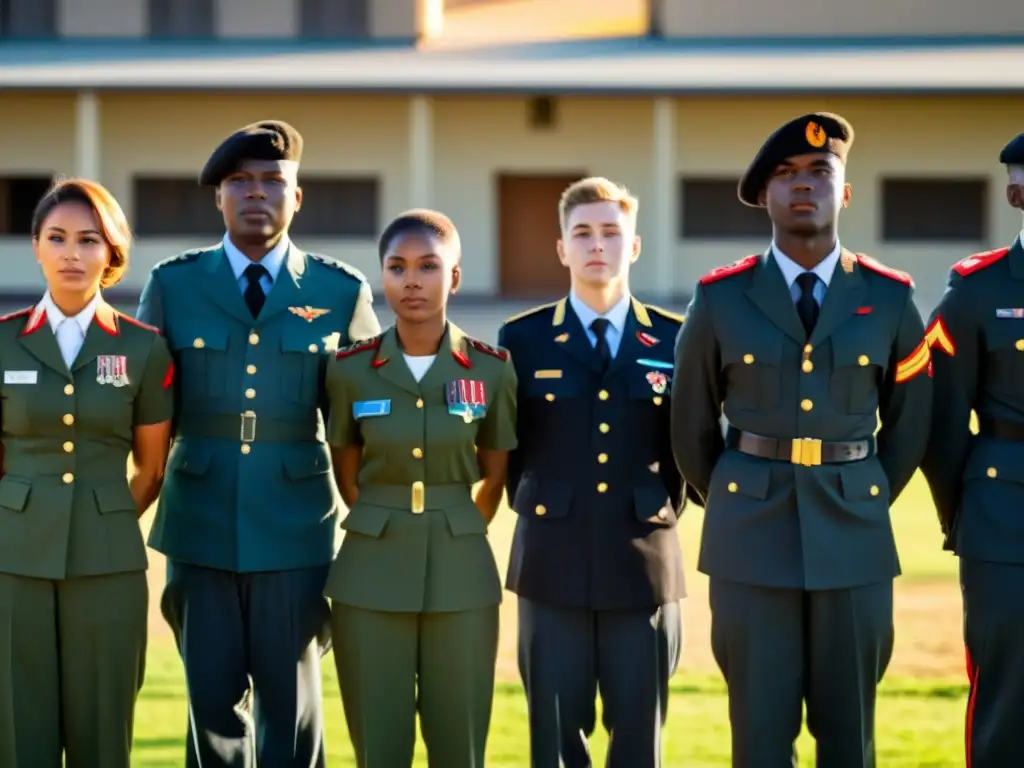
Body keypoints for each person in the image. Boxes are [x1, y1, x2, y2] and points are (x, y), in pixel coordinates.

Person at [671, 113, 932, 767]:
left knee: (851, 737)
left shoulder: (891, 299)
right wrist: (738, 494)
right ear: (764, 196)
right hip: (749, 541)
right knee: (760, 736)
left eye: (821, 171)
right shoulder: (719, 300)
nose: (804, 184)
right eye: (786, 175)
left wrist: (861, 490)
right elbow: (691, 427)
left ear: (846, 192)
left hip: (855, 538)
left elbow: (911, 424)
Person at [136, 120, 381, 768]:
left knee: (292, 708)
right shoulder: (173, 284)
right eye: (239, 181)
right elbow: (141, 407)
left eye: (274, 181)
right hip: (199, 521)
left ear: (296, 197)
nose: (256, 193)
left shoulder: (340, 291)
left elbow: (368, 422)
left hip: (299, 527)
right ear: (218, 197)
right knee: (210, 706)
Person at [497, 177, 688, 768]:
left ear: (634, 246)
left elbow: (686, 451)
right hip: (551, 564)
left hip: (644, 566)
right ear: (562, 248)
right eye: (582, 232)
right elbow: (511, 453)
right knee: (554, 742)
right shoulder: (522, 340)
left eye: (611, 232)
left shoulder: (675, 338)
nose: (596, 244)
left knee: (638, 741)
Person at [324, 209, 516, 767]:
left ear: (454, 277)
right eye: (398, 266)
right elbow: (346, 468)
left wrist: (450, 520)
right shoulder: (349, 370)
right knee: (379, 746)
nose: (412, 280)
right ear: (382, 276)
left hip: (461, 568)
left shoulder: (492, 370)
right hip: (369, 570)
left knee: (458, 743)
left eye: (429, 266)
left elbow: (495, 474)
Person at [0, 178, 173, 768]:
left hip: (109, 561)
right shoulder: (2, 342)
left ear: (112, 252)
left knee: (104, 730)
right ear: (37, 247)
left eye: (89, 239)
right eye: (58, 238)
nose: (73, 253)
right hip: (13, 561)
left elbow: (151, 469)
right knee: (19, 732)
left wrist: (102, 516)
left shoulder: (145, 348)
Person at [921, 131, 1024, 767]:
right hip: (1004, 519)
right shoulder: (978, 291)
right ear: (1018, 191)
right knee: (1007, 693)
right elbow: (940, 420)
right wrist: (966, 514)